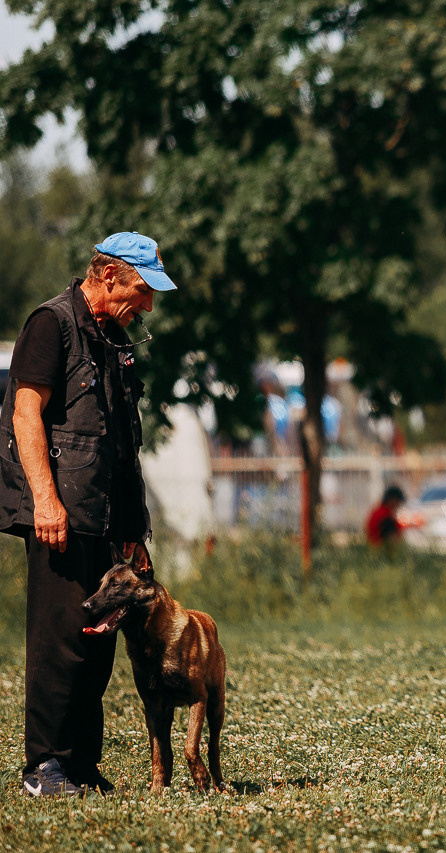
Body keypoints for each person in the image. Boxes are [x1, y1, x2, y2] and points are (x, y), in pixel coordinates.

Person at [0, 232, 176, 796]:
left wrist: (135, 530)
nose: (147, 304)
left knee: (99, 643)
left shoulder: (115, 338)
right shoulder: (50, 325)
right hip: (60, 514)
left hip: (106, 517)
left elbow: (124, 443)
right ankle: (43, 766)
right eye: (142, 290)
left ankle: (79, 764)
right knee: (60, 640)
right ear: (106, 276)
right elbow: (27, 414)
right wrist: (45, 500)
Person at [366, 484, 417, 550]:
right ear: (392, 500)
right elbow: (393, 531)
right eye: (398, 502)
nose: (399, 505)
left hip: (375, 546)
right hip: (380, 547)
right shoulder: (384, 514)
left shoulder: (381, 510)